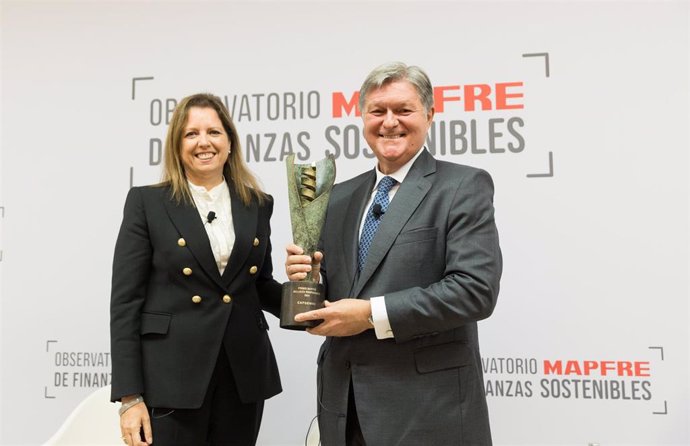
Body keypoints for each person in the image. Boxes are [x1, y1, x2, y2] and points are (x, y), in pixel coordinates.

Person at [285, 62, 502, 445]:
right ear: (362, 117)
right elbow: (340, 297)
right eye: (378, 111)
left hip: (428, 411)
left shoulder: (462, 186)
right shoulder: (338, 198)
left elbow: (474, 291)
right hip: (344, 407)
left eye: (403, 110)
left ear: (430, 116)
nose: (389, 122)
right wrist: (309, 282)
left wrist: (370, 315)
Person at [110, 93, 283, 446]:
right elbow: (125, 303)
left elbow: (259, 285)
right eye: (191, 134)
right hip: (171, 378)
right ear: (177, 145)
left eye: (214, 132)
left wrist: (309, 298)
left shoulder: (257, 204)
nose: (204, 142)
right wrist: (130, 398)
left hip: (243, 374)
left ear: (230, 142)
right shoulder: (148, 204)